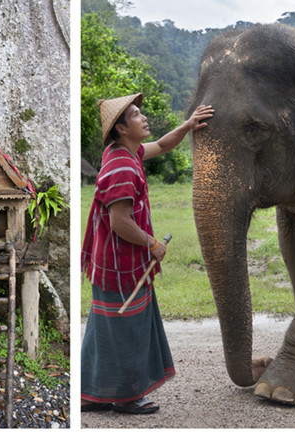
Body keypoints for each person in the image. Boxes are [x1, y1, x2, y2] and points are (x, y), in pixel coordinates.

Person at [80, 93, 214, 414]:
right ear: (122, 129)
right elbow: (119, 222)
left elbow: (164, 145)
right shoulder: (122, 167)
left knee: (105, 326)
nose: (144, 118)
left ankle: (91, 393)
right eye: (136, 115)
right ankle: (126, 397)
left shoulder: (126, 153)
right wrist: (154, 244)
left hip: (111, 261)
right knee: (128, 326)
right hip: (120, 264)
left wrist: (188, 125)